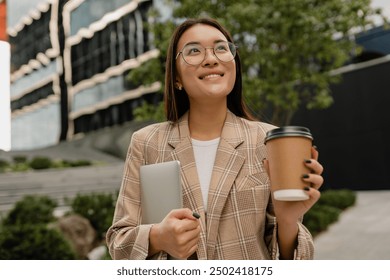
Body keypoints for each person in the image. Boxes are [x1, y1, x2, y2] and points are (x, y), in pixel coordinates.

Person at [106, 17, 323, 260]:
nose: (211, 58)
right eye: (194, 51)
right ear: (176, 78)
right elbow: (119, 242)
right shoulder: (147, 142)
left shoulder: (267, 140)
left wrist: (288, 220)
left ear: (234, 65)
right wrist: (158, 237)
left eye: (221, 48)